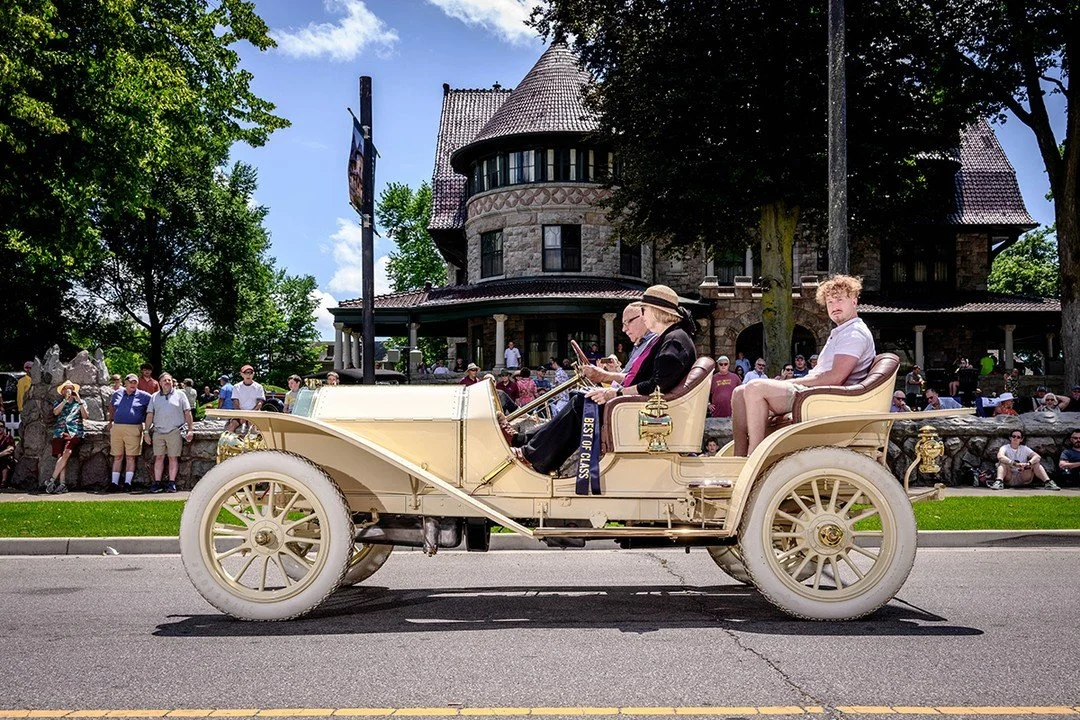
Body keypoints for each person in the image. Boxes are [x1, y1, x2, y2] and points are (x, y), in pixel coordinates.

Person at [512, 285, 697, 474]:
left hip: (641, 413)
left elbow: (656, 385)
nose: (643, 315)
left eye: (644, 310)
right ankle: (532, 450)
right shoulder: (672, 338)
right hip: (639, 407)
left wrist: (614, 393)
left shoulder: (673, 341)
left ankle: (535, 457)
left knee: (581, 403)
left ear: (656, 312)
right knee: (581, 399)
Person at [731, 274, 876, 457]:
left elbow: (836, 377)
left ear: (854, 301)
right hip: (818, 393)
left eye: (840, 300)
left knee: (754, 387)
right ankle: (738, 458)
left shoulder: (853, 334)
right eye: (830, 302)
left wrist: (791, 383)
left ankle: (755, 456)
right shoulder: (842, 332)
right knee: (739, 393)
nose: (834, 306)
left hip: (826, 398)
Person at [145, 373, 193, 493]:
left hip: (174, 431)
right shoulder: (154, 397)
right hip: (158, 431)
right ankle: (157, 483)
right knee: (159, 457)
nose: (167, 382)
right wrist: (146, 432)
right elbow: (150, 414)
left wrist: (190, 429)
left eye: (169, 380)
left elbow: (187, 412)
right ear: (160, 383)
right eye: (164, 380)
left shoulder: (180, 395)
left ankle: (171, 483)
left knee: (173, 458)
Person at [105, 373, 151, 492]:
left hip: (134, 428)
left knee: (131, 457)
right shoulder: (117, 393)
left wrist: (148, 425)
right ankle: (114, 483)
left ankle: (127, 483)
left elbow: (152, 410)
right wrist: (110, 420)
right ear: (125, 383)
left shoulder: (145, 396)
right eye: (130, 382)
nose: (133, 384)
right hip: (117, 428)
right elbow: (111, 406)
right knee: (117, 456)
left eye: (135, 382)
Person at [46, 380, 88, 494]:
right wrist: (65, 400)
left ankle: (51, 480)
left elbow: (85, 416)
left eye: (71, 388)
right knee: (61, 457)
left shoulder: (80, 402)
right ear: (63, 391)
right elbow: (55, 412)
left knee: (66, 453)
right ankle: (62, 484)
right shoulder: (59, 401)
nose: (69, 390)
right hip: (60, 432)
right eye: (66, 388)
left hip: (74, 432)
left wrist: (79, 400)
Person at [992, 430, 1059, 490]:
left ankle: (1048, 482)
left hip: (1023, 476)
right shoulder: (1005, 447)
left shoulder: (1024, 448)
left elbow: (1037, 456)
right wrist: (1014, 463)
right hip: (1009, 477)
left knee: (1036, 463)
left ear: (1021, 439)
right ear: (1010, 438)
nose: (1015, 438)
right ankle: (999, 482)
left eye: (1018, 437)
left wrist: (1028, 463)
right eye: (1014, 436)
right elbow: (1000, 456)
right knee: (1002, 463)